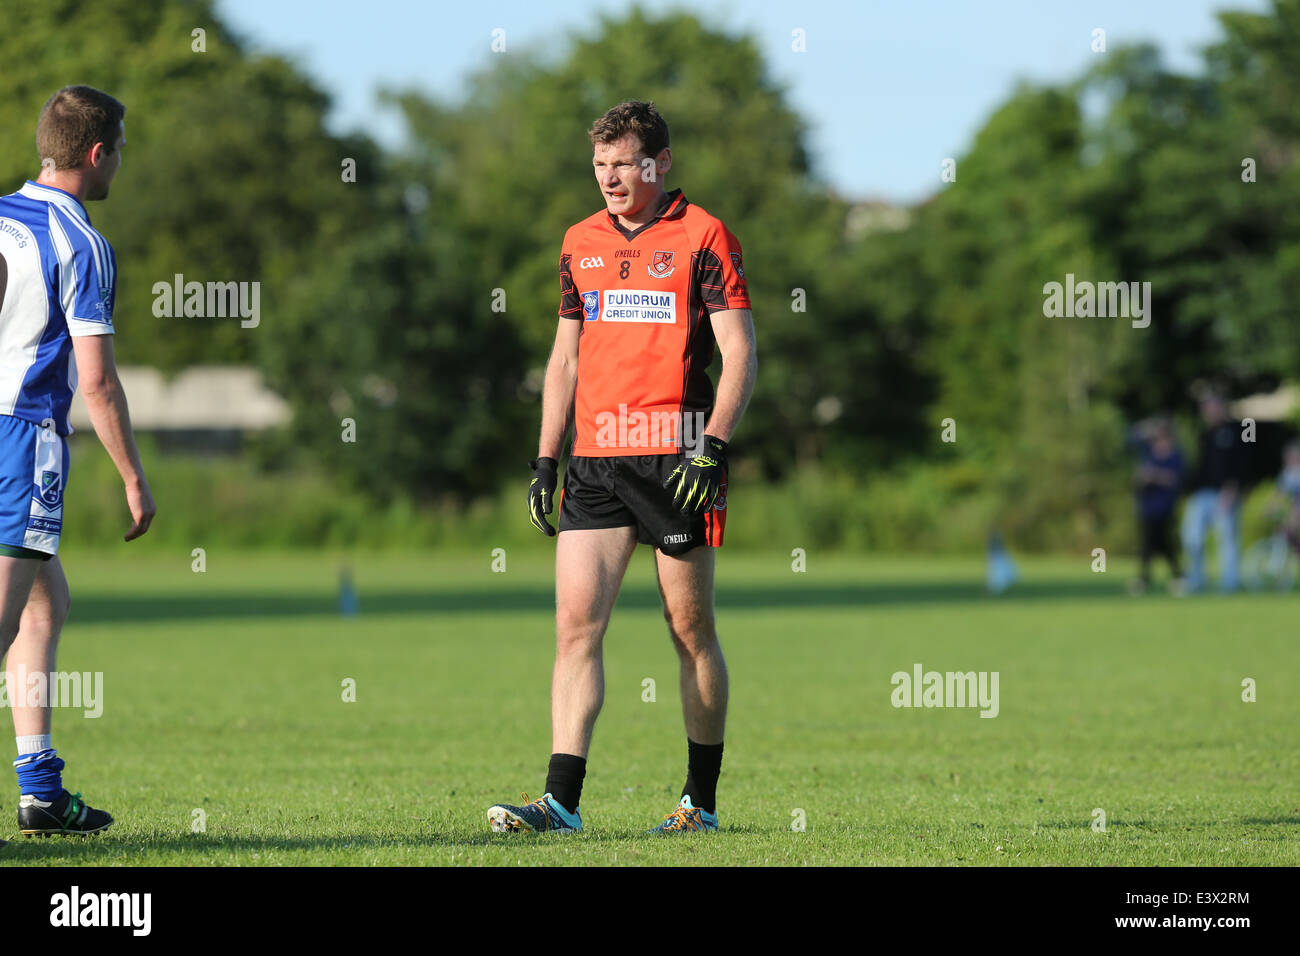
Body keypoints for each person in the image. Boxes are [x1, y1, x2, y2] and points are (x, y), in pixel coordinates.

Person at [488, 101, 756, 834]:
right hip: (597, 460)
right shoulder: (579, 243)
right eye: (600, 164)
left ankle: (699, 803)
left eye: (624, 164)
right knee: (576, 627)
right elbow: (565, 357)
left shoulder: (704, 235)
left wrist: (716, 445)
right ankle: (561, 803)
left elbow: (740, 354)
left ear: (660, 162)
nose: (610, 177)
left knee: (689, 627)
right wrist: (547, 458)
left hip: (679, 457)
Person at [0, 86, 155, 835]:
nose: (121, 163)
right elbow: (95, 379)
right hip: (20, 440)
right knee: (2, 619)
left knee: (43, 603)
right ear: (99, 155)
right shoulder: (80, 242)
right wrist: (133, 476)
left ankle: (39, 790)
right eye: (120, 150)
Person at [1181, 393, 1245, 593]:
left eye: (1212, 406)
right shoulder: (1204, 434)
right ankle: (1196, 579)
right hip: (1202, 494)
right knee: (1191, 536)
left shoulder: (1237, 430)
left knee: (1226, 538)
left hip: (1224, 494)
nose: (1208, 411)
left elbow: (1242, 463)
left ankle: (1230, 582)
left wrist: (1232, 489)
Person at [1131, 417, 1185, 594]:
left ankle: (1176, 576)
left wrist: (1154, 476)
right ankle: (1145, 578)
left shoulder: (1176, 456)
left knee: (1164, 543)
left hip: (1165, 507)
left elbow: (1175, 479)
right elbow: (1131, 438)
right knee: (1147, 544)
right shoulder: (1148, 453)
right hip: (1147, 506)